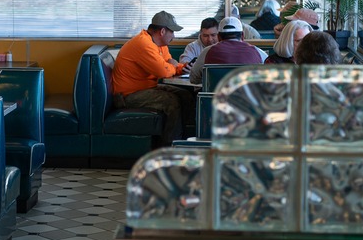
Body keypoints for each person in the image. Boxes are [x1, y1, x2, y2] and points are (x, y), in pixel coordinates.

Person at [112, 11, 194, 145]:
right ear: (162, 31)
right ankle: (170, 145)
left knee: (185, 95)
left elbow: (169, 63)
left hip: (146, 88)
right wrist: (173, 66)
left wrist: (183, 67)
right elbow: (163, 71)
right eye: (172, 32)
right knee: (172, 102)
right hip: (127, 96)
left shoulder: (160, 45)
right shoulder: (143, 43)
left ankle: (184, 138)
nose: (174, 36)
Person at [189, 17, 267, 84]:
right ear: (242, 36)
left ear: (219, 37)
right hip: (248, 97)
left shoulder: (207, 52)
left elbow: (193, 79)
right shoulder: (258, 52)